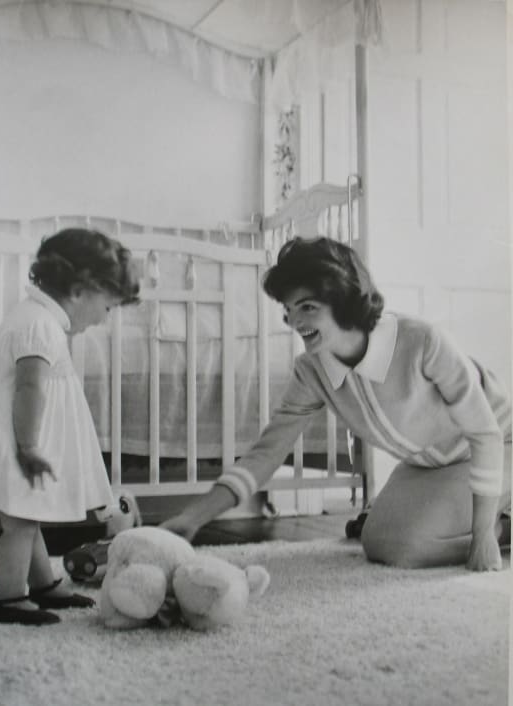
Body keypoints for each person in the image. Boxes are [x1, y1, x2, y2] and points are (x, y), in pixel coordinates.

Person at [161, 236, 511, 572]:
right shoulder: (312, 370)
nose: (295, 323)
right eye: (288, 310)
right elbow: (265, 455)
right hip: (432, 464)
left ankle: (501, 528)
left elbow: (486, 434)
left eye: (308, 307)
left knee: (405, 548)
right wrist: (193, 517)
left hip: (499, 445)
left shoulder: (422, 340)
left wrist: (482, 537)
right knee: (378, 542)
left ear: (343, 300)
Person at [0, 228, 140, 625]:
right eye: (107, 307)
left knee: (28, 516)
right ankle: (10, 600)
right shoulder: (39, 326)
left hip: (20, 442)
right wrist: (28, 447)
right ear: (80, 289)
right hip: (17, 444)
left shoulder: (39, 318)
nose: (104, 319)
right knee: (20, 525)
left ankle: (43, 586)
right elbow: (29, 387)